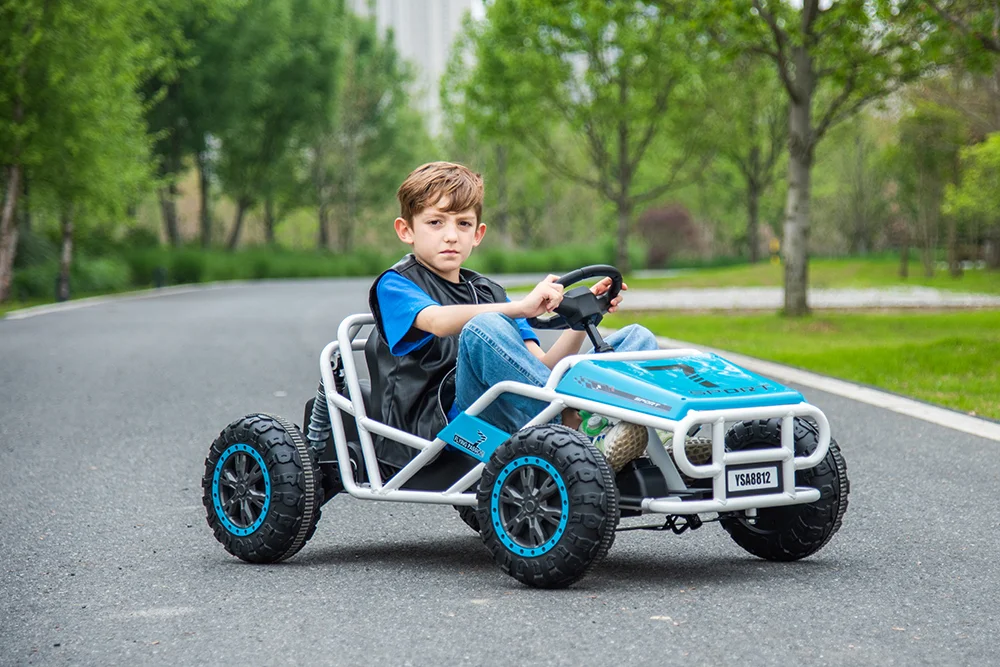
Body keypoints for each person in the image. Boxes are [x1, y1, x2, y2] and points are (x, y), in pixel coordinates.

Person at [366, 161, 658, 474]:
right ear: (406, 230)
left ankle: (645, 432)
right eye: (436, 222)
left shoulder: (490, 293)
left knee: (636, 337)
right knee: (483, 326)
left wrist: (584, 317)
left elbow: (540, 369)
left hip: (514, 412)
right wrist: (520, 307)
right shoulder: (396, 284)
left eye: (463, 224)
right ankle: (576, 425)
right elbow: (436, 321)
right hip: (447, 429)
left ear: (477, 234)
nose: (451, 236)